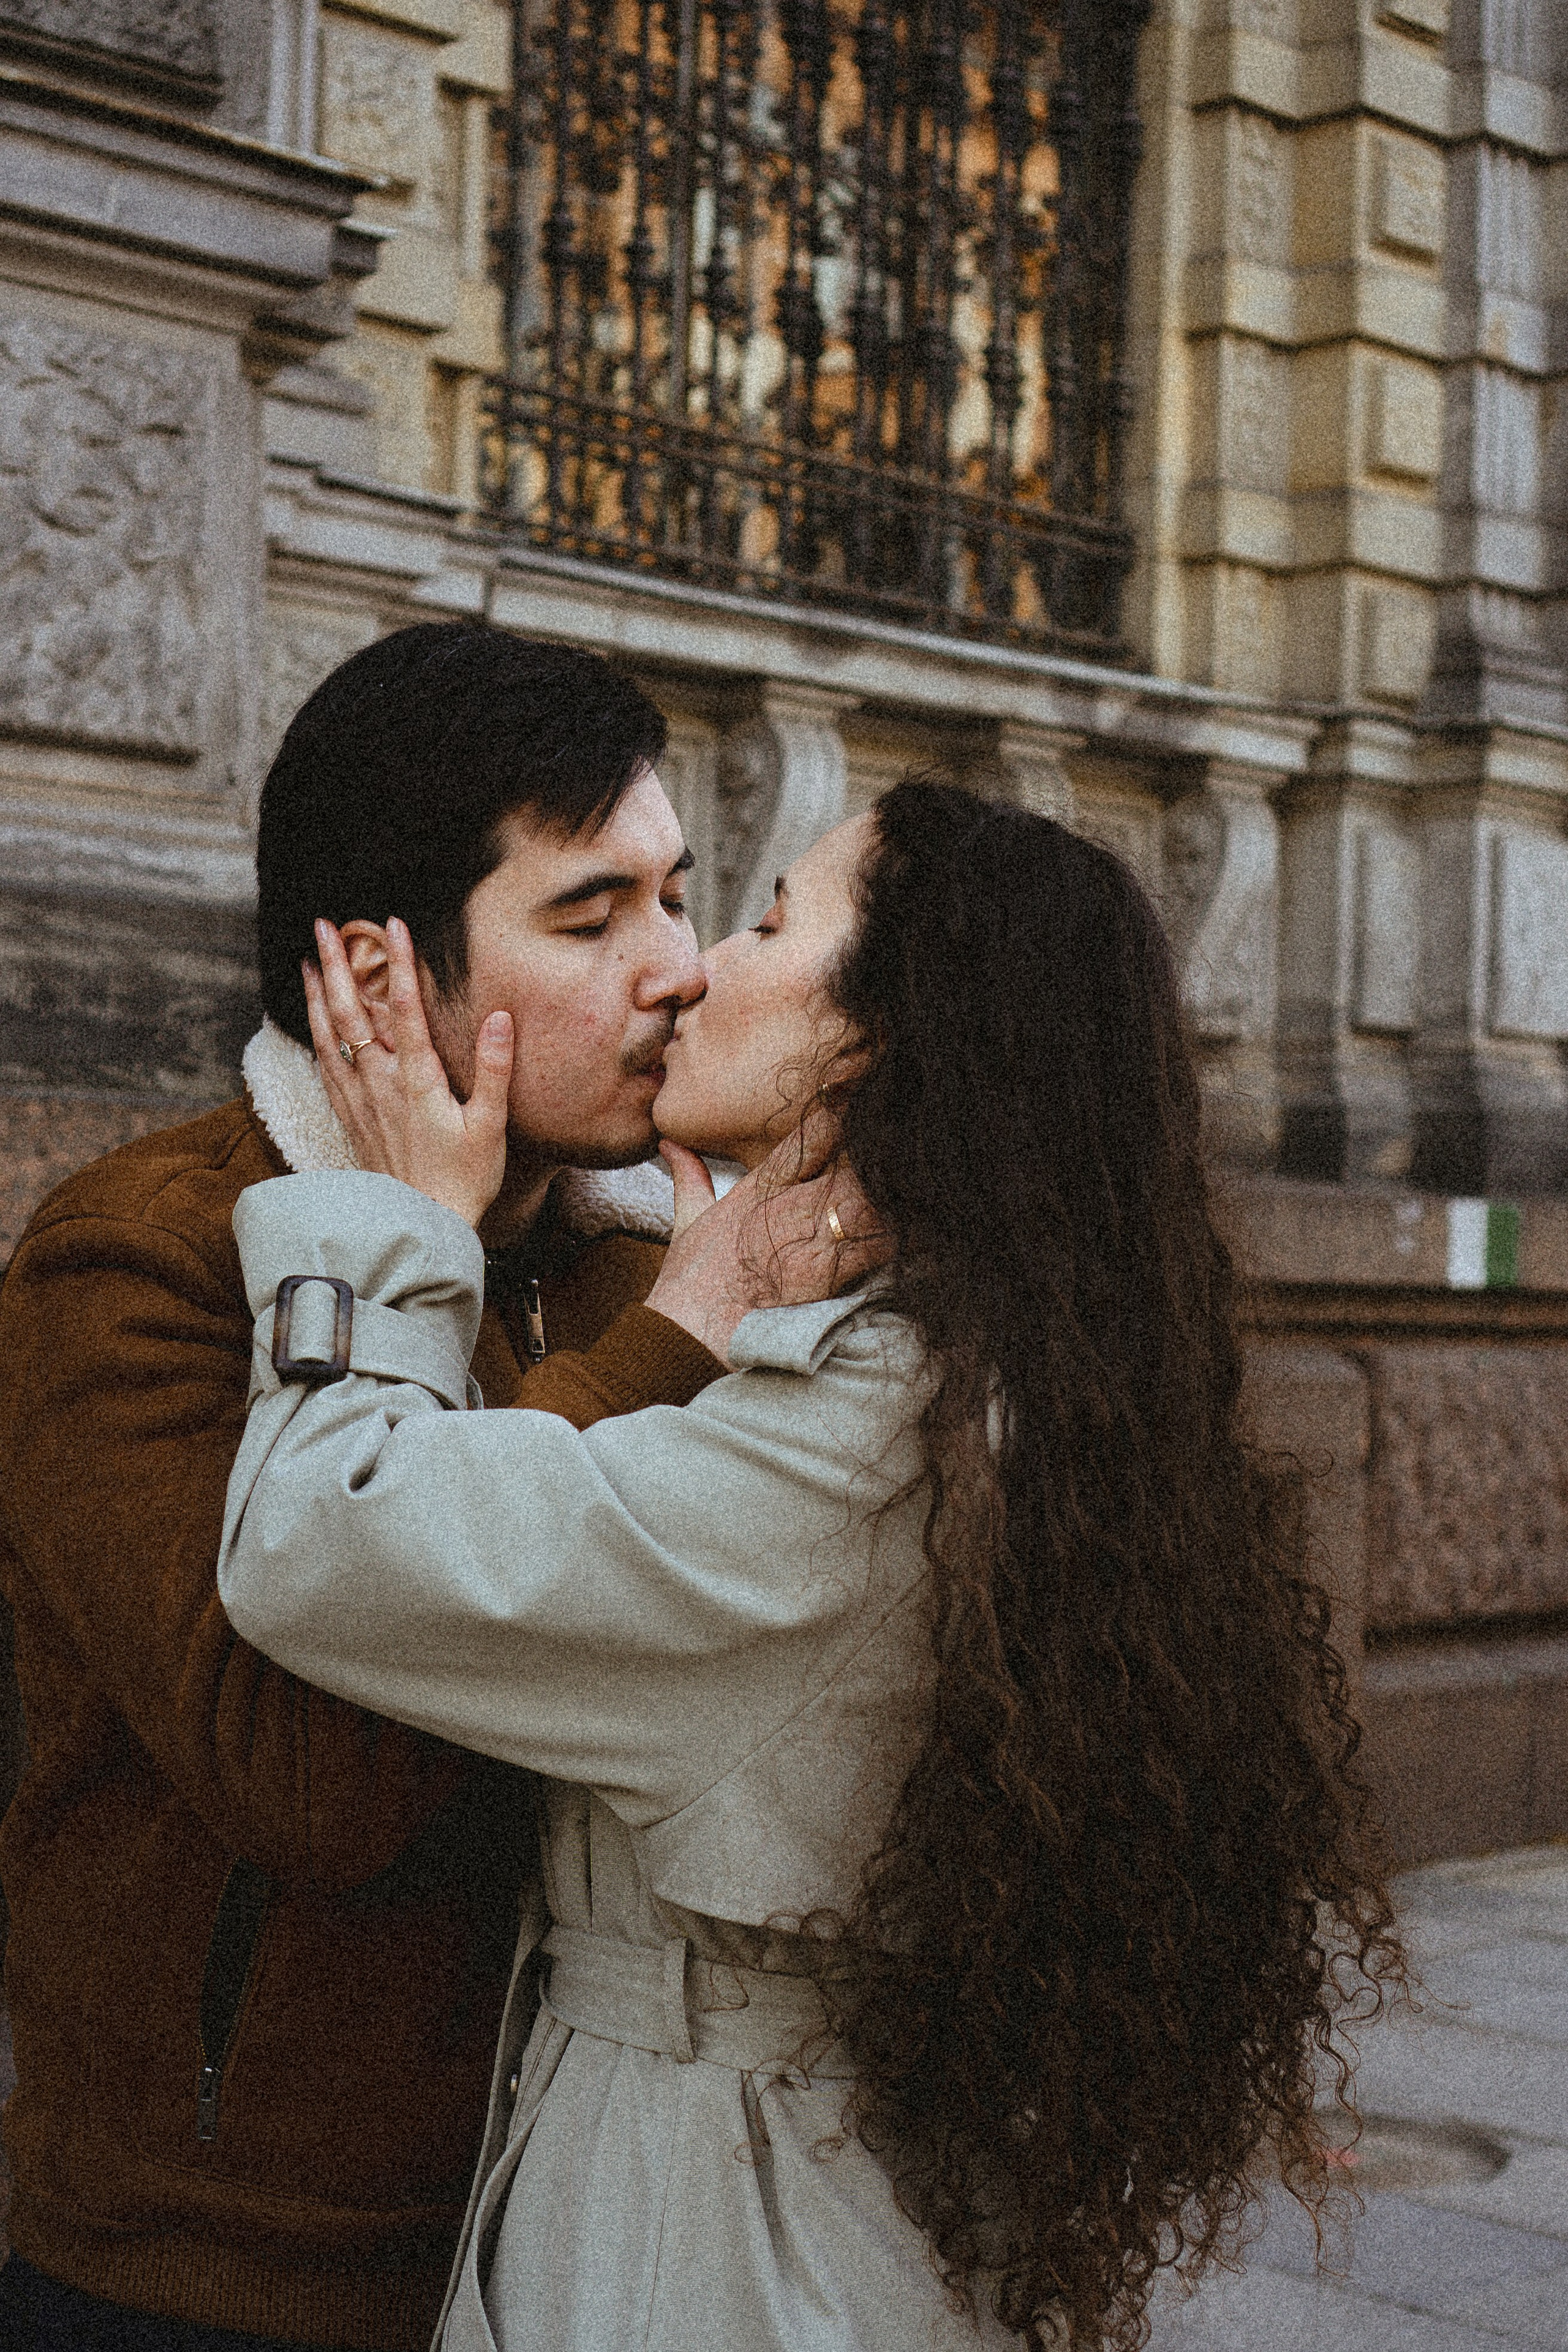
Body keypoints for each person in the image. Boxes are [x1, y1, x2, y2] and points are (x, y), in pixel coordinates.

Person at [215, 777, 1406, 2352]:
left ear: (874, 1041)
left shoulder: (855, 1442)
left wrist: (384, 1221)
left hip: (709, 2234)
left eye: (769, 918)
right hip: (820, 2189)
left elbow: (322, 1539)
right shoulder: (993, 1363)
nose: (693, 965)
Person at [0, 621, 858, 2351]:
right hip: (196, 2273)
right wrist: (668, 1343)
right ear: (382, 978)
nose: (678, 968)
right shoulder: (143, 1262)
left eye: (681, 897)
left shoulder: (628, 1266)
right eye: (591, 917)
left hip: (540, 2243)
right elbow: (321, 1785)